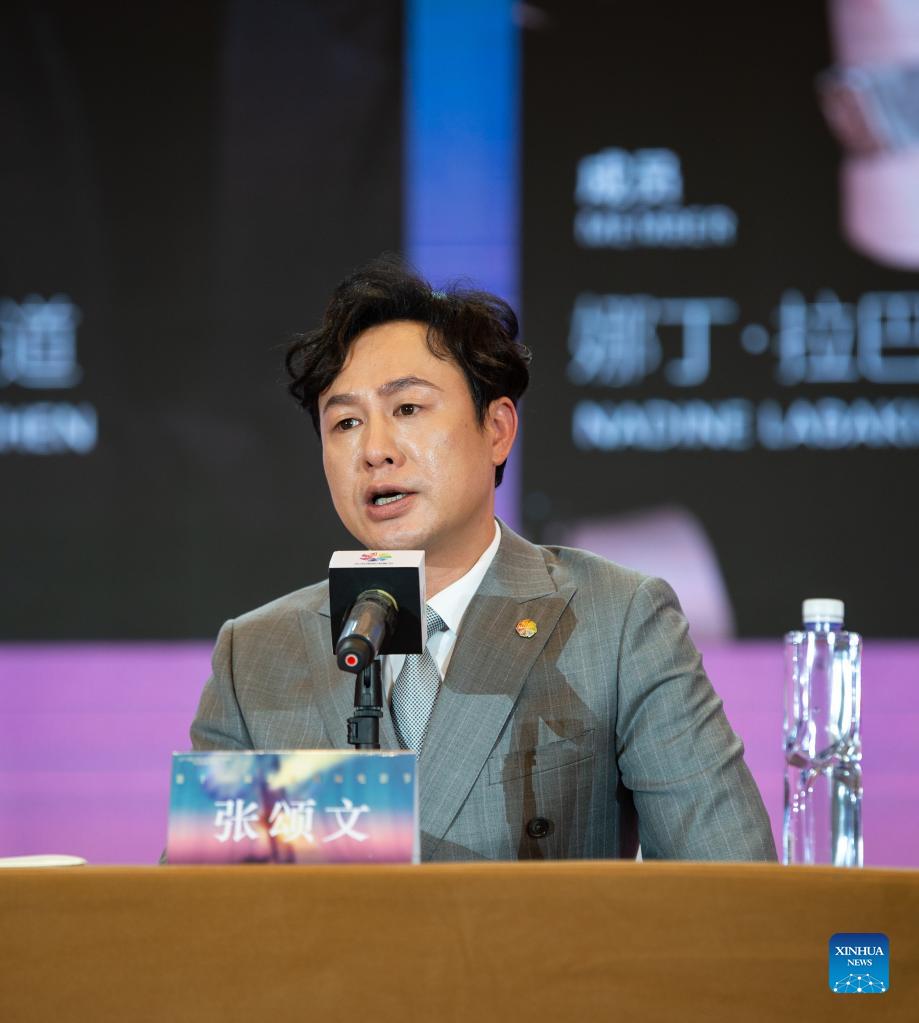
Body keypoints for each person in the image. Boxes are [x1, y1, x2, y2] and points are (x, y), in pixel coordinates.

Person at [190, 255, 777, 863]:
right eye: (344, 423)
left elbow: (731, 878)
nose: (375, 451)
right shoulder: (255, 655)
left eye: (408, 409)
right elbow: (199, 915)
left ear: (496, 429)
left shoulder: (616, 620)